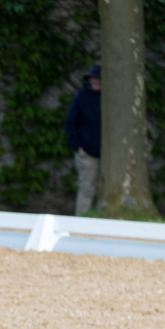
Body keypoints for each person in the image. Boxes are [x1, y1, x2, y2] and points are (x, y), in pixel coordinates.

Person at [64, 63, 102, 216]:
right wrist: (78, 146)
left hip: (108, 155)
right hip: (87, 153)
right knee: (87, 190)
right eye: (94, 79)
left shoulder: (111, 99)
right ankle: (81, 224)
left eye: (99, 79)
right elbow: (71, 123)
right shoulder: (82, 98)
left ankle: (100, 223)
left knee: (105, 191)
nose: (96, 81)